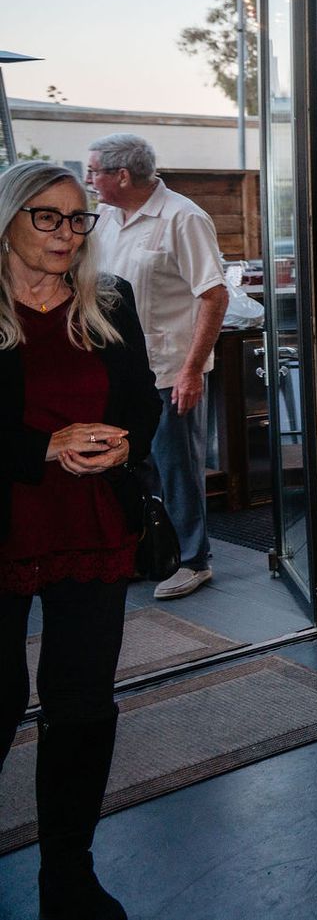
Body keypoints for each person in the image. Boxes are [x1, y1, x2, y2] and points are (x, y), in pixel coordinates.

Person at [1, 160, 162, 920]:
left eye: (77, 218)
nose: (67, 233)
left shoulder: (110, 300)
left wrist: (129, 444)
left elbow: (142, 401)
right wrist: (41, 444)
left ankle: (68, 872)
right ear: (8, 219)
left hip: (93, 523)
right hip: (9, 523)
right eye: (47, 217)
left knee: (83, 706)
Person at [84, 134, 228, 601]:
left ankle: (193, 560)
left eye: (94, 172)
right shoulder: (104, 217)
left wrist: (191, 372)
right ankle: (148, 552)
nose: (89, 180)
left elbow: (214, 295)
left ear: (121, 175)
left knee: (176, 469)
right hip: (119, 368)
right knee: (130, 468)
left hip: (169, 370)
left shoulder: (182, 217)